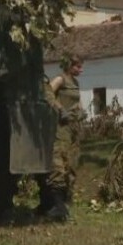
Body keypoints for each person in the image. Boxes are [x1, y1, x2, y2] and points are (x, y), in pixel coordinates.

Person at [36, 54, 84, 222]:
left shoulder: (75, 83)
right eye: (78, 66)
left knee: (72, 164)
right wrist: (59, 108)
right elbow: (47, 92)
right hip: (61, 128)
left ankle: (64, 204)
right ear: (69, 66)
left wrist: (81, 111)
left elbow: (76, 101)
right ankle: (57, 205)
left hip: (74, 128)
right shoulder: (60, 80)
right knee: (59, 163)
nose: (81, 69)